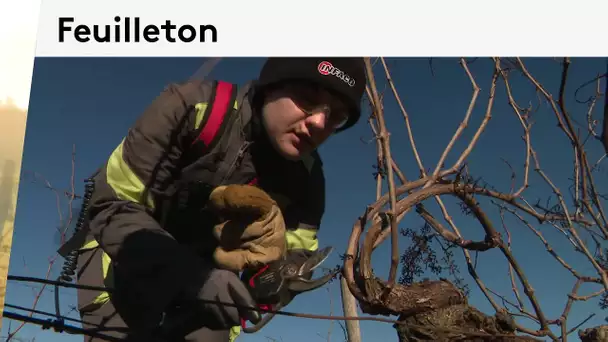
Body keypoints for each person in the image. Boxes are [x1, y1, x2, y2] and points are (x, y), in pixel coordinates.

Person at [69, 57, 367, 341]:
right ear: (271, 85)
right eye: (306, 97)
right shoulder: (191, 107)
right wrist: (191, 278)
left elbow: (297, 259)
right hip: (121, 257)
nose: (318, 122)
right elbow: (113, 203)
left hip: (214, 286)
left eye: (336, 117)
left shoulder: (308, 179)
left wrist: (264, 279)